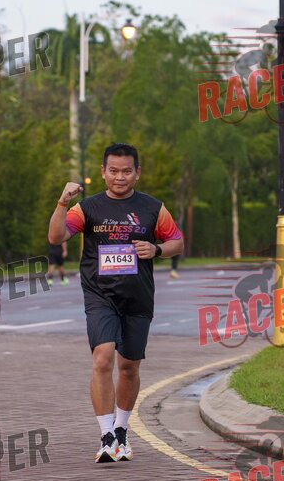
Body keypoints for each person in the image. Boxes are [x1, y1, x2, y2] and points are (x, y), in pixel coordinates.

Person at [48, 143, 184, 463]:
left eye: (126, 171)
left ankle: (121, 430)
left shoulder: (153, 208)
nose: (119, 177)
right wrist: (62, 202)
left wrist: (157, 250)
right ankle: (106, 435)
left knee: (129, 366)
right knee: (103, 358)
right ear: (103, 172)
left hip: (138, 296)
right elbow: (56, 237)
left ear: (137, 173)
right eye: (113, 171)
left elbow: (177, 242)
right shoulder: (87, 208)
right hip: (100, 294)